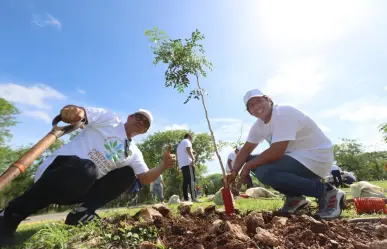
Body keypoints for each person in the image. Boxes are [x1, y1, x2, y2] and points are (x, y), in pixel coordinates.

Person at [0, 105, 176, 245]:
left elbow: (144, 177)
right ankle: (10, 215)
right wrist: (75, 112)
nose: (141, 122)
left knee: (128, 173)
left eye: (145, 123)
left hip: (81, 186)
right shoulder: (110, 120)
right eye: (139, 117)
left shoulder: (134, 153)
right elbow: (81, 112)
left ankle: (81, 213)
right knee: (87, 168)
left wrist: (162, 166)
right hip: (58, 171)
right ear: (130, 116)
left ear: (144, 131)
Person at [226, 89, 346, 220]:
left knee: (263, 171)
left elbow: (277, 151)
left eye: (259, 101)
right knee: (253, 161)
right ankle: (295, 198)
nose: (256, 107)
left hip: (316, 158)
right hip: (296, 158)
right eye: (251, 105)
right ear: (249, 112)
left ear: (269, 100)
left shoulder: (283, 113)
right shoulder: (259, 126)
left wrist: (248, 166)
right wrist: (234, 172)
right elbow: (245, 150)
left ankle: (327, 192)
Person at [177, 133, 196, 202]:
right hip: (188, 163)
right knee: (192, 180)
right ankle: (194, 198)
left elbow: (179, 156)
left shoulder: (179, 145)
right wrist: (193, 158)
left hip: (182, 165)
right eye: (191, 138)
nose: (191, 140)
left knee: (185, 181)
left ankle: (186, 199)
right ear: (189, 137)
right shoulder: (187, 141)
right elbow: (188, 149)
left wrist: (178, 168)